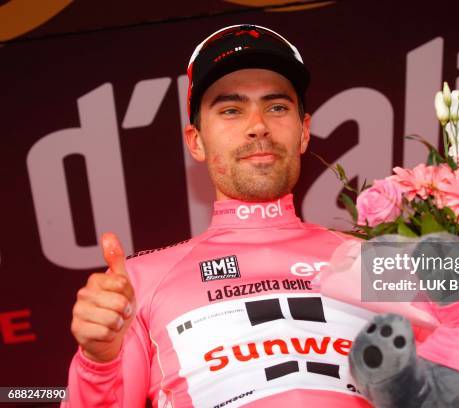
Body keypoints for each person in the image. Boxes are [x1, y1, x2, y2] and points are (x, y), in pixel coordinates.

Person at [64, 24, 374, 407]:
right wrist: (98, 362)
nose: (258, 126)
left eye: (277, 107)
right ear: (196, 141)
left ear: (304, 131)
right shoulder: (138, 282)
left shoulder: (375, 259)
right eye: (231, 110)